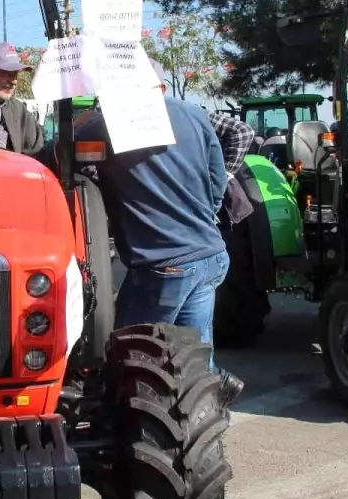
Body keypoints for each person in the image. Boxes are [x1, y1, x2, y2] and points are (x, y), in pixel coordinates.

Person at [74, 61, 251, 402]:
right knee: (193, 349)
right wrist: (200, 215)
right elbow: (217, 182)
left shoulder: (104, 124)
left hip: (164, 265)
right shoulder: (195, 114)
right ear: (161, 87)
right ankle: (209, 395)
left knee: (130, 350)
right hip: (210, 254)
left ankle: (132, 423)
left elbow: (62, 154)